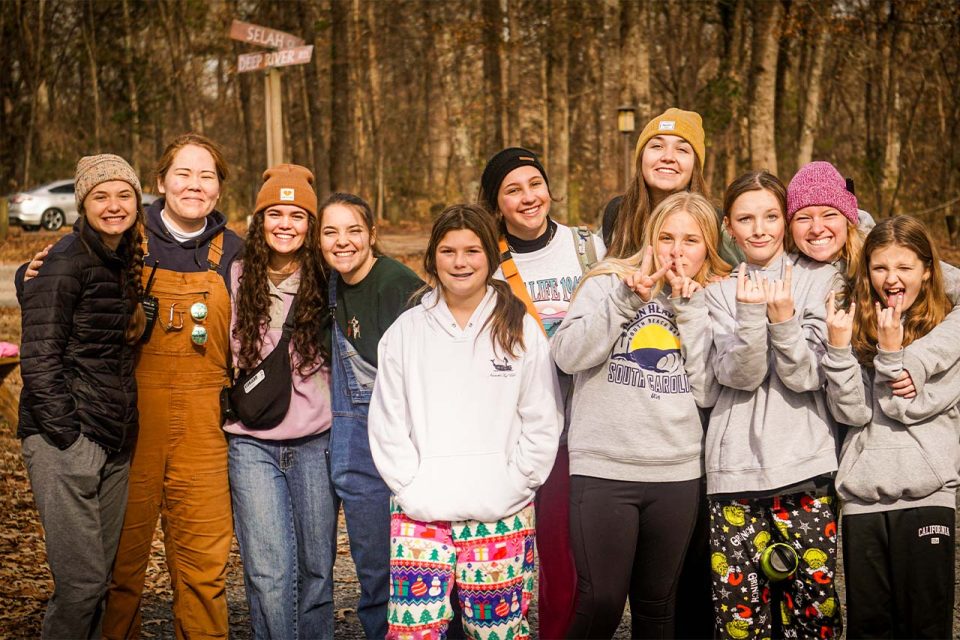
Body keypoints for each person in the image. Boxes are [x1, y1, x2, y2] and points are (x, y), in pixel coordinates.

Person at [368, 203, 563, 639]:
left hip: (500, 511)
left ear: (489, 258)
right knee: (413, 631)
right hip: (421, 512)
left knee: (498, 630)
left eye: (472, 250)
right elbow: (387, 421)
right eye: (448, 250)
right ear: (432, 258)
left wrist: (517, 482)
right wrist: (410, 486)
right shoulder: (406, 331)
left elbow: (542, 416)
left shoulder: (519, 328)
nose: (460, 262)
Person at [552, 192, 730, 638]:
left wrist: (689, 314)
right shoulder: (608, 280)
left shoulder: (714, 298)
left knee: (657, 607)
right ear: (650, 239)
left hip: (676, 473)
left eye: (690, 240)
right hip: (604, 469)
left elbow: (707, 392)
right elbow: (568, 356)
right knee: (601, 601)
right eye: (666, 237)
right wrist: (625, 301)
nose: (676, 250)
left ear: (707, 246)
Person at [103, 134, 242, 638]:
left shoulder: (236, 253)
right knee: (120, 563)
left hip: (206, 427)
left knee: (204, 565)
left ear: (219, 190)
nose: (194, 185)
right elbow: (58, 272)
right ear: (160, 182)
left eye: (207, 176)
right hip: (131, 423)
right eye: (183, 174)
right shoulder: (123, 236)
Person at [703, 171, 843, 639]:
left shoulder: (822, 278)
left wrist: (783, 321)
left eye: (769, 216)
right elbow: (739, 376)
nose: (759, 229)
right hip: (734, 475)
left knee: (813, 613)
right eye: (745, 218)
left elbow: (806, 376)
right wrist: (749, 315)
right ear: (729, 226)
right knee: (742, 622)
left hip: (805, 468)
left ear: (785, 221)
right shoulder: (717, 292)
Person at [17, 154, 146, 638]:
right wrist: (69, 438)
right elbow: (39, 359)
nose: (114, 205)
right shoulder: (66, 260)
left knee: (101, 580)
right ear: (83, 203)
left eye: (124, 194)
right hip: (67, 440)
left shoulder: (122, 257)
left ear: (137, 201)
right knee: (82, 585)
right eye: (101, 196)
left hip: (112, 436)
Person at [478, 146, 603, 639]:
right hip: (519, 426)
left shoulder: (586, 247)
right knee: (506, 547)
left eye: (535, 184)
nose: (528, 198)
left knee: (564, 551)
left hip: (586, 422)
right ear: (497, 203)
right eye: (513, 190)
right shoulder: (485, 259)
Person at [823, 216, 959, 638]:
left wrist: (894, 353)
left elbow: (905, 407)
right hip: (865, 498)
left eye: (905, 267)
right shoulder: (857, 320)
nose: (892, 278)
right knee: (870, 626)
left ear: (928, 270)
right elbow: (855, 413)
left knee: (927, 625)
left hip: (928, 492)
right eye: (880, 267)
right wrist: (841, 351)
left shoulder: (947, 330)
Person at [224, 165, 337, 637]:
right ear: (259, 220)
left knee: (317, 571)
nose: (285, 224)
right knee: (268, 573)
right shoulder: (234, 275)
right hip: (251, 445)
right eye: (275, 213)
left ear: (311, 226)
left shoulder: (330, 278)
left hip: (316, 443)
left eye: (297, 215)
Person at [319, 192, 423, 638]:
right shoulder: (326, 287)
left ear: (372, 236)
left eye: (353, 230)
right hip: (353, 455)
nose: (342, 242)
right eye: (331, 232)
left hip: (405, 444)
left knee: (419, 570)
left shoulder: (397, 284)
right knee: (374, 569)